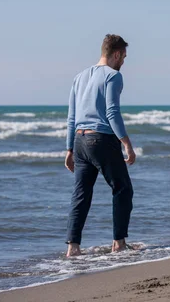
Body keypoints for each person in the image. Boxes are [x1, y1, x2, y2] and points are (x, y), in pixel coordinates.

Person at [64, 34, 136, 257]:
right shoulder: (113, 76)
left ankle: (72, 247)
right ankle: (119, 243)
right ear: (116, 54)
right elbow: (112, 112)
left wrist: (69, 149)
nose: (123, 62)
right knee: (123, 188)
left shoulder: (79, 77)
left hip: (80, 141)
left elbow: (72, 116)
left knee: (81, 194)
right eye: (123, 57)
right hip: (101, 139)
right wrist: (127, 143)